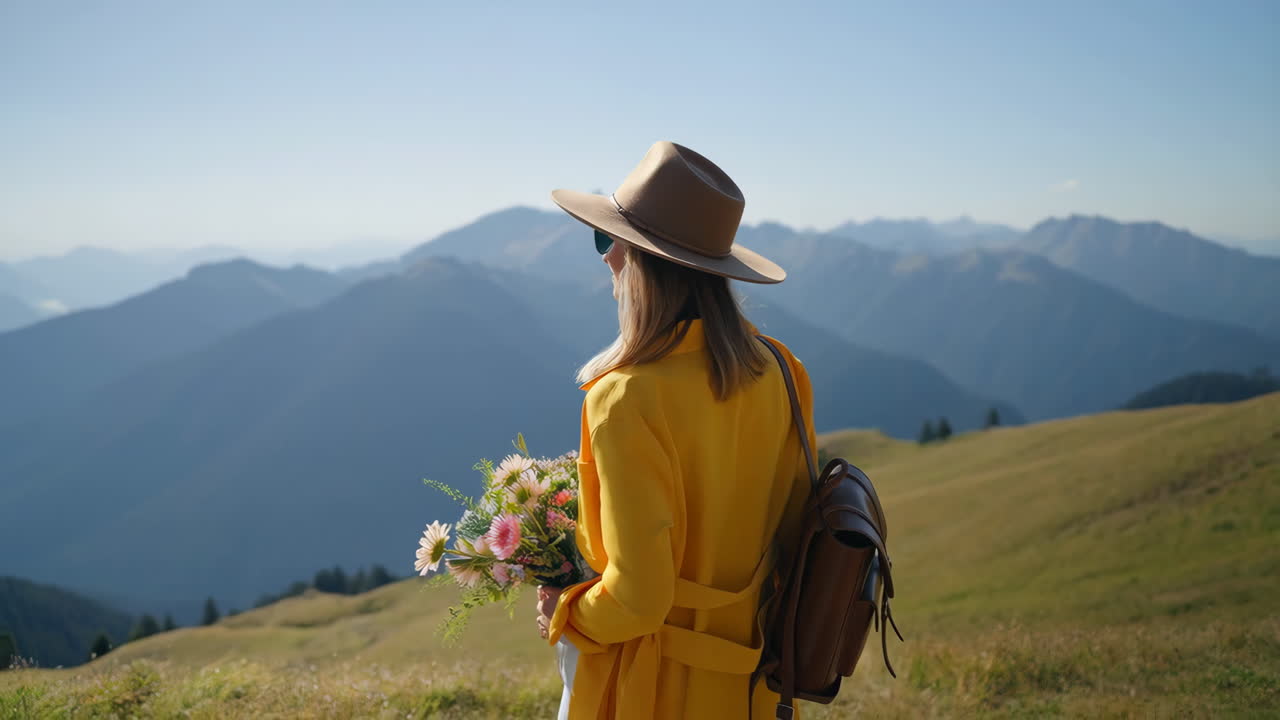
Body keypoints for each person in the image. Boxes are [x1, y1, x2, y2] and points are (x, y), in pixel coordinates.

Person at [534, 141, 816, 719]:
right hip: (752, 685)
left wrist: (565, 612)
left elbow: (639, 601)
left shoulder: (623, 398)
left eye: (610, 240)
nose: (607, 257)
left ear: (642, 262)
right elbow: (795, 534)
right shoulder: (783, 372)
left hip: (652, 689)